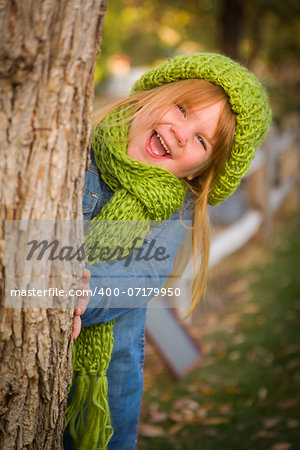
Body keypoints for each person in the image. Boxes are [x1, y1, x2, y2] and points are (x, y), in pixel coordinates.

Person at [64, 52, 271, 450]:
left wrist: (84, 290)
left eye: (201, 139)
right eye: (181, 108)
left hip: (108, 383)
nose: (180, 132)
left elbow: (143, 275)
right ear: (150, 96)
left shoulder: (176, 207)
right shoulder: (77, 147)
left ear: (198, 171)